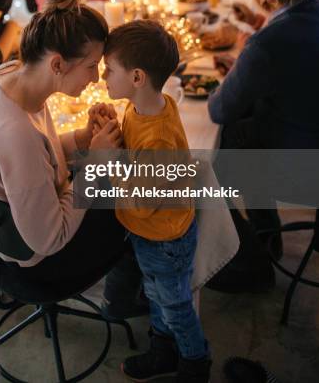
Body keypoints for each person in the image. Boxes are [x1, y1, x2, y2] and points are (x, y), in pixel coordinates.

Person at [0, 0, 127, 287]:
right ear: (57, 64)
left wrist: (81, 139)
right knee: (141, 200)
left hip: (8, 231)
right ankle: (129, 300)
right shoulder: (14, 136)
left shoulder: (5, 75)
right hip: (39, 265)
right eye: (91, 65)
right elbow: (51, 239)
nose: (95, 79)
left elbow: (41, 155)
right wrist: (94, 165)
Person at [208, 0, 319, 281]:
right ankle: (265, 234)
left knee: (218, 146)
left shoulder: (267, 45)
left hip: (305, 167)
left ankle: (247, 258)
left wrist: (242, 62)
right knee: (246, 127)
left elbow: (218, 110)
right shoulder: (318, 9)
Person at [101, 20, 211, 383]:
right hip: (149, 234)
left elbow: (143, 201)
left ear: (136, 77)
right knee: (157, 297)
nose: (102, 76)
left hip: (165, 238)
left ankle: (195, 365)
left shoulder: (159, 137)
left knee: (176, 306)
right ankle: (162, 352)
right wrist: (112, 129)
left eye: (109, 69)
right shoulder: (141, 107)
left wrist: (109, 161)